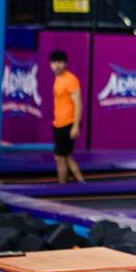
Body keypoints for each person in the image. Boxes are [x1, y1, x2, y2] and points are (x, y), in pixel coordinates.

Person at [49, 50, 85, 185]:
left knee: (60, 158)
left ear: (65, 64)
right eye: (54, 63)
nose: (57, 66)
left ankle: (62, 186)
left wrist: (75, 126)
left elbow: (79, 103)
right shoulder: (58, 79)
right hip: (58, 123)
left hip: (68, 124)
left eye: (60, 62)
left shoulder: (71, 80)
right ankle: (80, 182)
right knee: (66, 157)